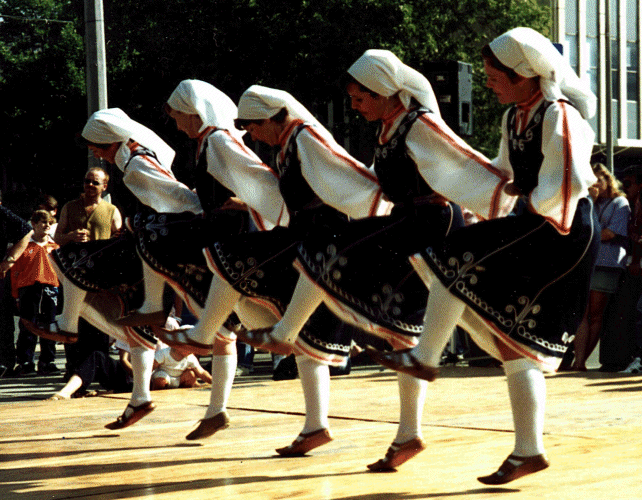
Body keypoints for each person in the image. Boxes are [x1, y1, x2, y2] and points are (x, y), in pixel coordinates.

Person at [236, 53, 511, 470]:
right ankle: (409, 435)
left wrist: (505, 191)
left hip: (430, 222)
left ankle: (284, 332)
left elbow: (462, 158)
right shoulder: (389, 129)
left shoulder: (417, 123)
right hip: (408, 222)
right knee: (407, 333)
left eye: (360, 97)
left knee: (324, 256)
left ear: (382, 89)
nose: (354, 105)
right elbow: (366, 179)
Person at [368, 27, 599, 485]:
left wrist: (531, 199)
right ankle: (527, 451)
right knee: (518, 345)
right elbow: (501, 173)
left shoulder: (559, 114)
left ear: (525, 74)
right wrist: (457, 178)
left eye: (496, 75)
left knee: (452, 255)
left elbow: (571, 177)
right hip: (540, 223)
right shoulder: (516, 116)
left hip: (563, 228)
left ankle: (426, 357)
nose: (489, 82)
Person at [154, 84, 388, 457]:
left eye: (254, 125)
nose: (250, 134)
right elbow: (270, 191)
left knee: (228, 260)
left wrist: (377, 202)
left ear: (271, 118)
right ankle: (316, 426)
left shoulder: (302, 138)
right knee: (303, 340)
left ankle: (205, 333)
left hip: (317, 244)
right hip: (301, 242)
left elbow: (343, 175)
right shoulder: (287, 145)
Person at [122, 79, 287, 441]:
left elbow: (263, 181)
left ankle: (161, 311)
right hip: (220, 244)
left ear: (194, 111)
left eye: (179, 115)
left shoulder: (218, 139)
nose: (176, 123)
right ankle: (218, 411)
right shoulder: (206, 143)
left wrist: (248, 204)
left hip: (234, 244)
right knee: (241, 331)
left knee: (152, 229)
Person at [26, 107, 203, 430]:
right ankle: (139, 398)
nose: (93, 151)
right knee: (138, 324)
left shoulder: (135, 165)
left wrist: (154, 221)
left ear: (109, 140)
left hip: (156, 244)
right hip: (153, 244)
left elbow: (178, 197)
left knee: (69, 260)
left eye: (96, 144)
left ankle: (67, 325)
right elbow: (169, 164)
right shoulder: (135, 151)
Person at [54, 167, 123, 380]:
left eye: (95, 183)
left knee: (98, 325)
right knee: (73, 323)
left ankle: (98, 372)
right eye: (87, 181)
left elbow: (120, 240)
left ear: (104, 186)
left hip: (99, 278)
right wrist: (72, 236)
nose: (90, 186)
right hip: (73, 275)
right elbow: (57, 237)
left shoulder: (111, 210)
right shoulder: (70, 207)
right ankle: (73, 371)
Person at [569, 163, 629, 371]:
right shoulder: (589, 202)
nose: (595, 183)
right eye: (591, 180)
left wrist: (591, 235)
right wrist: (591, 202)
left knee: (595, 314)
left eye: (599, 179)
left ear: (608, 180)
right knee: (582, 313)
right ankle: (579, 361)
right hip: (588, 262)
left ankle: (582, 360)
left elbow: (608, 233)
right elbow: (581, 228)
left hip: (607, 264)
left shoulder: (620, 203)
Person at [11, 210, 60, 376]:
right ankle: (25, 362)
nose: (47, 225)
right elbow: (15, 272)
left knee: (49, 325)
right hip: (29, 289)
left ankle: (47, 361)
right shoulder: (24, 246)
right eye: (43, 222)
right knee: (28, 325)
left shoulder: (55, 248)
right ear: (34, 224)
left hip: (50, 288)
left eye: (49, 222)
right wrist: (16, 295)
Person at [0, 196, 33, 377]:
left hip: (0, 272)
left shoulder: (3, 214)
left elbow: (26, 231)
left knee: (2, 319)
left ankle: (5, 362)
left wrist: (10, 260)